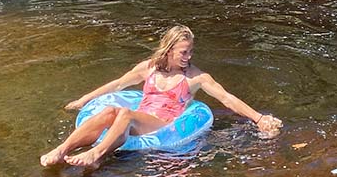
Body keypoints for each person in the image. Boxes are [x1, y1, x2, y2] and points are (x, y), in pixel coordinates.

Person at [40, 25, 282, 169]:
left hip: (160, 124)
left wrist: (258, 118)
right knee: (110, 112)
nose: (188, 57)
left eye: (190, 52)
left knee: (122, 113)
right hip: (138, 117)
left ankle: (96, 154)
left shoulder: (195, 77)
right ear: (168, 51)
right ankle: (62, 150)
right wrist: (84, 99)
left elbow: (227, 99)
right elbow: (118, 84)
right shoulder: (149, 68)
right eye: (183, 52)